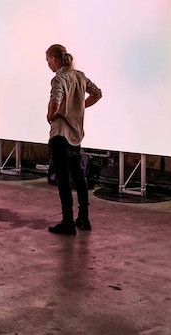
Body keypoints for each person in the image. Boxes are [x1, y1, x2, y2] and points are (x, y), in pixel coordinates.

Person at [45, 44, 102, 235]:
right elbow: (97, 93)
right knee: (79, 178)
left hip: (60, 134)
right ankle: (84, 218)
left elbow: (56, 100)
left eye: (48, 61)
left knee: (63, 180)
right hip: (76, 136)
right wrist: (80, 108)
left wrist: (51, 115)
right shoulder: (80, 76)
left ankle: (68, 222)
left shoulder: (59, 78)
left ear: (54, 59)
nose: (48, 65)